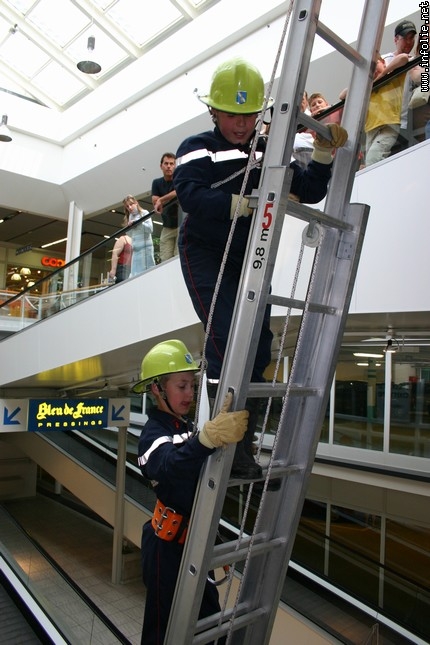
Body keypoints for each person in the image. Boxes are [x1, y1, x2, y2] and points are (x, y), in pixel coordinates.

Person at [174, 57, 347, 479]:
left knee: (259, 345)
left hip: (251, 252)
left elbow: (309, 189)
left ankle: (242, 440)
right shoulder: (196, 146)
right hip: (205, 252)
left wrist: (323, 151)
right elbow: (190, 195)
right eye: (231, 114)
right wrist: (235, 205)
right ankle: (224, 440)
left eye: (249, 114)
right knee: (224, 337)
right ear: (213, 111)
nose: (241, 123)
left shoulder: (270, 147)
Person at [134, 339, 248, 645]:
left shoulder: (183, 427)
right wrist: (205, 440)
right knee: (163, 632)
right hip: (167, 550)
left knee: (208, 623)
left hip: (193, 544)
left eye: (192, 386)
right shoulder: (152, 436)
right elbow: (166, 465)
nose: (189, 394)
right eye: (181, 386)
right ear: (157, 389)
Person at [339, 53, 409, 167]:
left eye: (375, 64)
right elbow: (342, 95)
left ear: (383, 62)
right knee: (371, 163)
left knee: (373, 159)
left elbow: (404, 58)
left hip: (388, 125)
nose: (373, 69)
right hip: (370, 129)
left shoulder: (392, 75)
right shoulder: (367, 87)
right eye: (369, 68)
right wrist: (365, 81)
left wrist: (383, 73)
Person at [383, 20, 417, 151]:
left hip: (402, 125)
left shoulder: (414, 62)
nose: (409, 42)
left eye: (411, 38)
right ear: (396, 39)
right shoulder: (384, 60)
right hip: (381, 121)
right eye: (405, 38)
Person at [151, 153, 179, 261]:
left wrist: (161, 200)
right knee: (165, 259)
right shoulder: (156, 182)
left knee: (178, 257)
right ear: (161, 166)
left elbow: (177, 192)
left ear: (175, 165)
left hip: (181, 224)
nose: (169, 166)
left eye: (171, 164)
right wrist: (160, 200)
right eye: (166, 163)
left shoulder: (179, 179)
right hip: (167, 226)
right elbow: (155, 201)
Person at [123, 195, 155, 275]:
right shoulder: (130, 216)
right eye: (127, 206)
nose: (130, 208)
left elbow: (150, 229)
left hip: (145, 248)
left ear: (136, 203)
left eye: (131, 204)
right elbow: (130, 234)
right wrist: (130, 227)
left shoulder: (144, 212)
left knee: (147, 271)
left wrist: (138, 223)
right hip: (136, 249)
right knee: (135, 273)